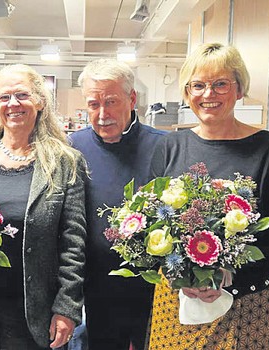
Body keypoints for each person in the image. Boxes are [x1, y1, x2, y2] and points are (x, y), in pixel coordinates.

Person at [148, 42, 269, 349]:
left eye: (221, 84)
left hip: (249, 307)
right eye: (198, 85)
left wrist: (227, 274)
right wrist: (181, 273)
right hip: (178, 305)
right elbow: (151, 225)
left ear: (239, 89)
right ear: (187, 92)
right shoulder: (170, 147)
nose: (209, 95)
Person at [0, 64, 87, 350]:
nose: (13, 104)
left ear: (39, 101)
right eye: (4, 97)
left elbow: (74, 242)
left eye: (22, 95)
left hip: (32, 309)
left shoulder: (66, 162)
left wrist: (67, 306)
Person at [69, 58, 165, 350]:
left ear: (132, 99)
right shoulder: (74, 147)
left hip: (155, 287)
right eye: (93, 104)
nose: (101, 115)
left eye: (110, 102)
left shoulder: (164, 146)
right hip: (98, 287)